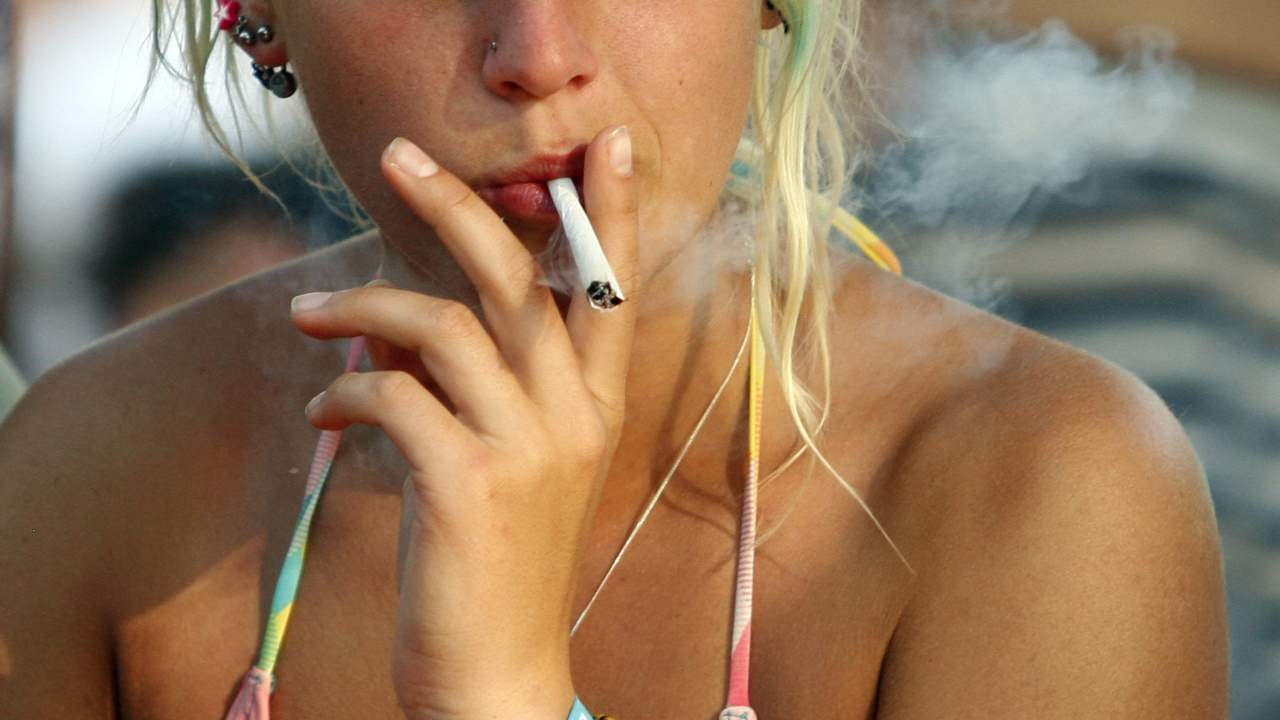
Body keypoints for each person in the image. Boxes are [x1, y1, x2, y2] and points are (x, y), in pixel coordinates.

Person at [0, 1, 1228, 718]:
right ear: (258, 9)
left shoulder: (1039, 484)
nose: (536, 56)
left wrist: (505, 694)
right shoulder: (95, 465)